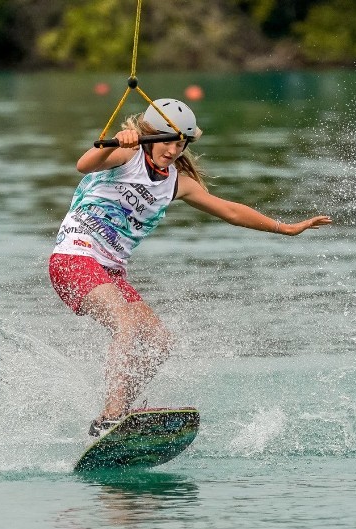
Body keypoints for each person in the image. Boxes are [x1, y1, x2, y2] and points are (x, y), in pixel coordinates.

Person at [49, 98, 332, 436]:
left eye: (180, 143)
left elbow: (230, 211)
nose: (173, 149)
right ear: (149, 136)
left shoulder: (177, 183)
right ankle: (109, 417)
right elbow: (84, 165)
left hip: (108, 271)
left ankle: (120, 416)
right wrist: (115, 142)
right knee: (125, 322)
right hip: (72, 257)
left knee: (158, 340)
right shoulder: (127, 155)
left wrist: (285, 228)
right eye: (166, 141)